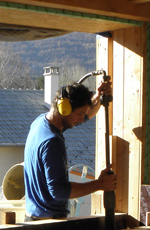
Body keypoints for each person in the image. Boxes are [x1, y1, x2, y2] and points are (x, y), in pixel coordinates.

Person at [24, 79, 117, 220]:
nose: (82, 119)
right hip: (47, 225)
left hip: (35, 217)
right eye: (80, 114)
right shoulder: (52, 142)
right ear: (65, 109)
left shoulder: (40, 123)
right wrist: (99, 184)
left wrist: (97, 97)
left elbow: (88, 113)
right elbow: (58, 191)